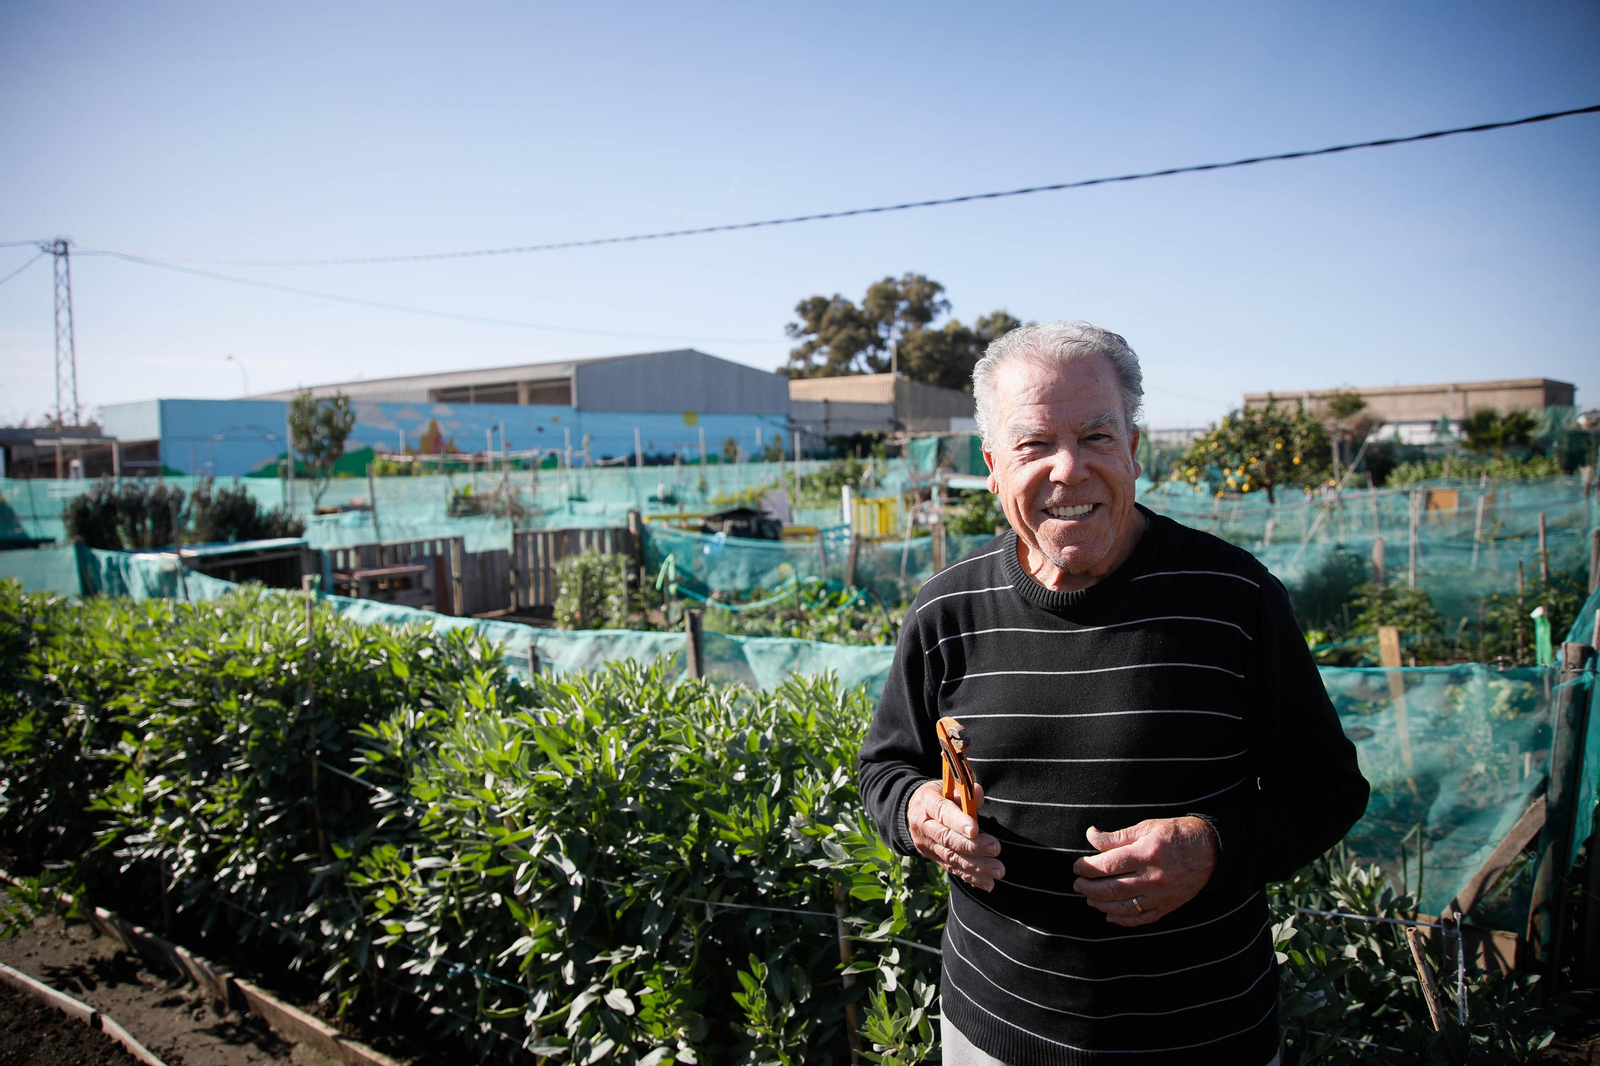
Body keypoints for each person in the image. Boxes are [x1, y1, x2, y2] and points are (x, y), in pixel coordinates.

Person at [858, 322, 1368, 1066]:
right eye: (1034, 445)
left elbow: (1328, 787)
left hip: (1204, 1037)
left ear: (1134, 448)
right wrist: (917, 813)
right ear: (994, 468)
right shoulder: (946, 610)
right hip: (992, 1034)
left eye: (1097, 436)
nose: (1069, 469)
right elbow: (884, 768)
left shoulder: (1234, 597)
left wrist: (1213, 847)